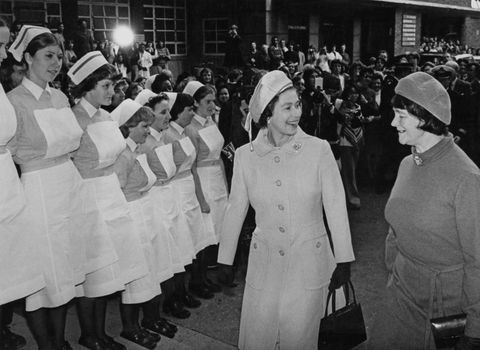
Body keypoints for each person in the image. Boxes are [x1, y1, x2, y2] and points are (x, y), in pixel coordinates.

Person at [218, 70, 355, 349]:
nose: (297, 114)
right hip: (265, 262)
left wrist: (343, 258)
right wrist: (225, 258)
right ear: (268, 113)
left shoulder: (318, 150)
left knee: (302, 337)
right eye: (288, 108)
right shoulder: (246, 157)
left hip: (310, 261)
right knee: (263, 336)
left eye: (298, 105)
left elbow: (336, 206)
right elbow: (235, 209)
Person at [369, 72, 480, 350]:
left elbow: (478, 259)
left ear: (423, 116)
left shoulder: (466, 177)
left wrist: (475, 328)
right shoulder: (408, 163)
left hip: (442, 305)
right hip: (401, 292)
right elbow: (395, 227)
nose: (393, 122)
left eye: (400, 115)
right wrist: (394, 268)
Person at [7, 25, 86, 350]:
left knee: (66, 268)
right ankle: (48, 345)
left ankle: (60, 340)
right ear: (27, 58)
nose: (56, 63)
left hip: (68, 185)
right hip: (38, 190)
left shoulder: (60, 96)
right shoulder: (14, 102)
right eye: (48, 56)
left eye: (59, 56)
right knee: (43, 275)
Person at [68, 51, 150, 350]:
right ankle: (89, 334)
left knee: (110, 273)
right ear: (87, 87)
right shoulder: (73, 118)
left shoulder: (105, 115)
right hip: (89, 198)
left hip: (111, 195)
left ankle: (101, 334)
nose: (111, 92)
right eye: (105, 86)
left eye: (111, 86)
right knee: (94, 271)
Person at [0, 20, 45, 350]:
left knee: (9, 260)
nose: (5, 53)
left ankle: (2, 325)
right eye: (0, 45)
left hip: (7, 179)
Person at [111, 100, 163, 349]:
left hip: (144, 211)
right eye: (144, 126)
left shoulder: (136, 150)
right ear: (128, 126)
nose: (148, 131)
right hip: (132, 216)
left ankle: (148, 320)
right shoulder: (123, 155)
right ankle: (130, 327)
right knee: (133, 274)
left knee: (148, 269)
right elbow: (117, 192)